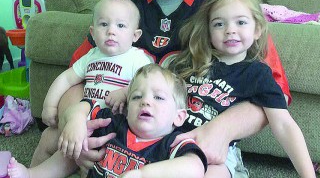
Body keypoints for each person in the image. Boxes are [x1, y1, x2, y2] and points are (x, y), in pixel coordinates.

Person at [32, 0, 292, 177]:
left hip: (186, 141)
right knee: (51, 139)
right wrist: (75, 123)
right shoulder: (120, 8)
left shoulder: (226, 7)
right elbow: (79, 76)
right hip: (122, 131)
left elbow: (274, 94)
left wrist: (222, 128)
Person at [168, 0, 315, 177]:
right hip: (173, 139)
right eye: (219, 24)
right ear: (209, 31)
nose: (230, 30)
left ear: (257, 30)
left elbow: (284, 126)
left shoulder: (257, 74)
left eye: (241, 22)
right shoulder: (190, 62)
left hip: (218, 153)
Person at [8, 64, 207, 178]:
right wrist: (76, 120)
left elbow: (195, 168)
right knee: (75, 145)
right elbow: (83, 106)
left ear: (179, 117)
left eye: (159, 98)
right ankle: (33, 175)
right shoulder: (113, 124)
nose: (145, 101)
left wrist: (142, 175)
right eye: (136, 97)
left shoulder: (173, 143)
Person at [31, 0, 151, 166]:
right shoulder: (91, 56)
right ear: (93, 33)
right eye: (104, 24)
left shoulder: (137, 59)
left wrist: (126, 92)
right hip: (80, 123)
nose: (111, 31)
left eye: (121, 25)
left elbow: (149, 87)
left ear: (135, 35)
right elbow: (66, 78)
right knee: (48, 137)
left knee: (94, 165)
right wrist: (49, 106)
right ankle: (30, 172)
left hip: (115, 128)